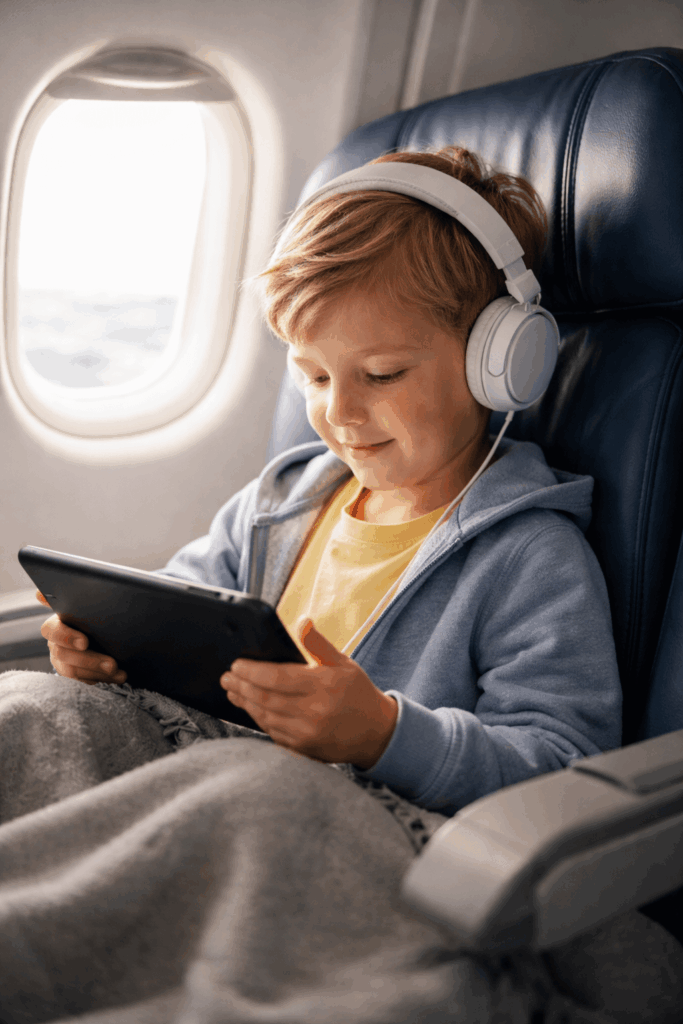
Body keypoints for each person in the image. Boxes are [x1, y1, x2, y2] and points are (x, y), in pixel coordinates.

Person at [39, 145, 622, 816]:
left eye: (381, 374)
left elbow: (563, 765)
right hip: (210, 774)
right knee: (34, 708)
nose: (338, 413)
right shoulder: (277, 504)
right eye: (313, 376)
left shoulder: (528, 556)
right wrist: (106, 651)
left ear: (497, 363)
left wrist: (384, 736)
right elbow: (172, 619)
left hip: (344, 823)